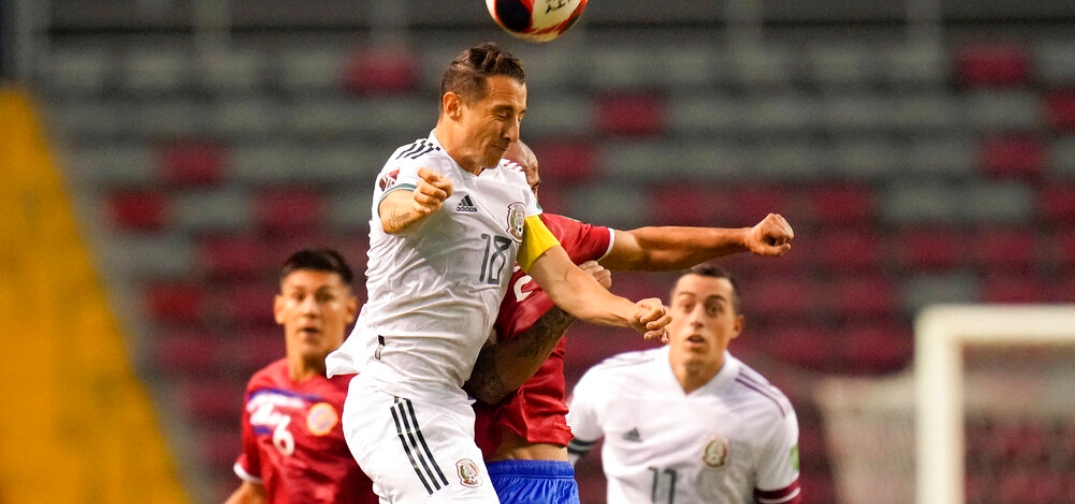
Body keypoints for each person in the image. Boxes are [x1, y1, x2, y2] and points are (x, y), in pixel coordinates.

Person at [325, 42, 671, 504]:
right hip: (397, 396)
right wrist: (419, 205)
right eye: (502, 114)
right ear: (454, 105)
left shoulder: (510, 188)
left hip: (449, 405)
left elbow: (564, 279)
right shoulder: (416, 163)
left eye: (520, 116)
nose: (513, 132)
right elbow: (393, 210)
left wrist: (629, 312)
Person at [466, 140, 795, 504]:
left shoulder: (554, 235)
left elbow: (644, 247)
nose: (530, 197)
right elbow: (489, 383)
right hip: (470, 467)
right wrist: (567, 306)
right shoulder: (458, 254)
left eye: (535, 185)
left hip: (543, 474)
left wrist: (743, 237)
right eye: (519, 181)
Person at [567, 264, 802, 504]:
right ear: (669, 316)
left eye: (713, 309)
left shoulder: (768, 411)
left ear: (736, 326)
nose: (697, 319)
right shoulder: (609, 381)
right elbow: (552, 458)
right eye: (686, 306)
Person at [226, 248, 377, 504]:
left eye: (325, 297)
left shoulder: (367, 394)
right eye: (298, 297)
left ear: (350, 309)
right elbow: (255, 492)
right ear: (279, 308)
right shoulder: (262, 389)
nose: (310, 310)